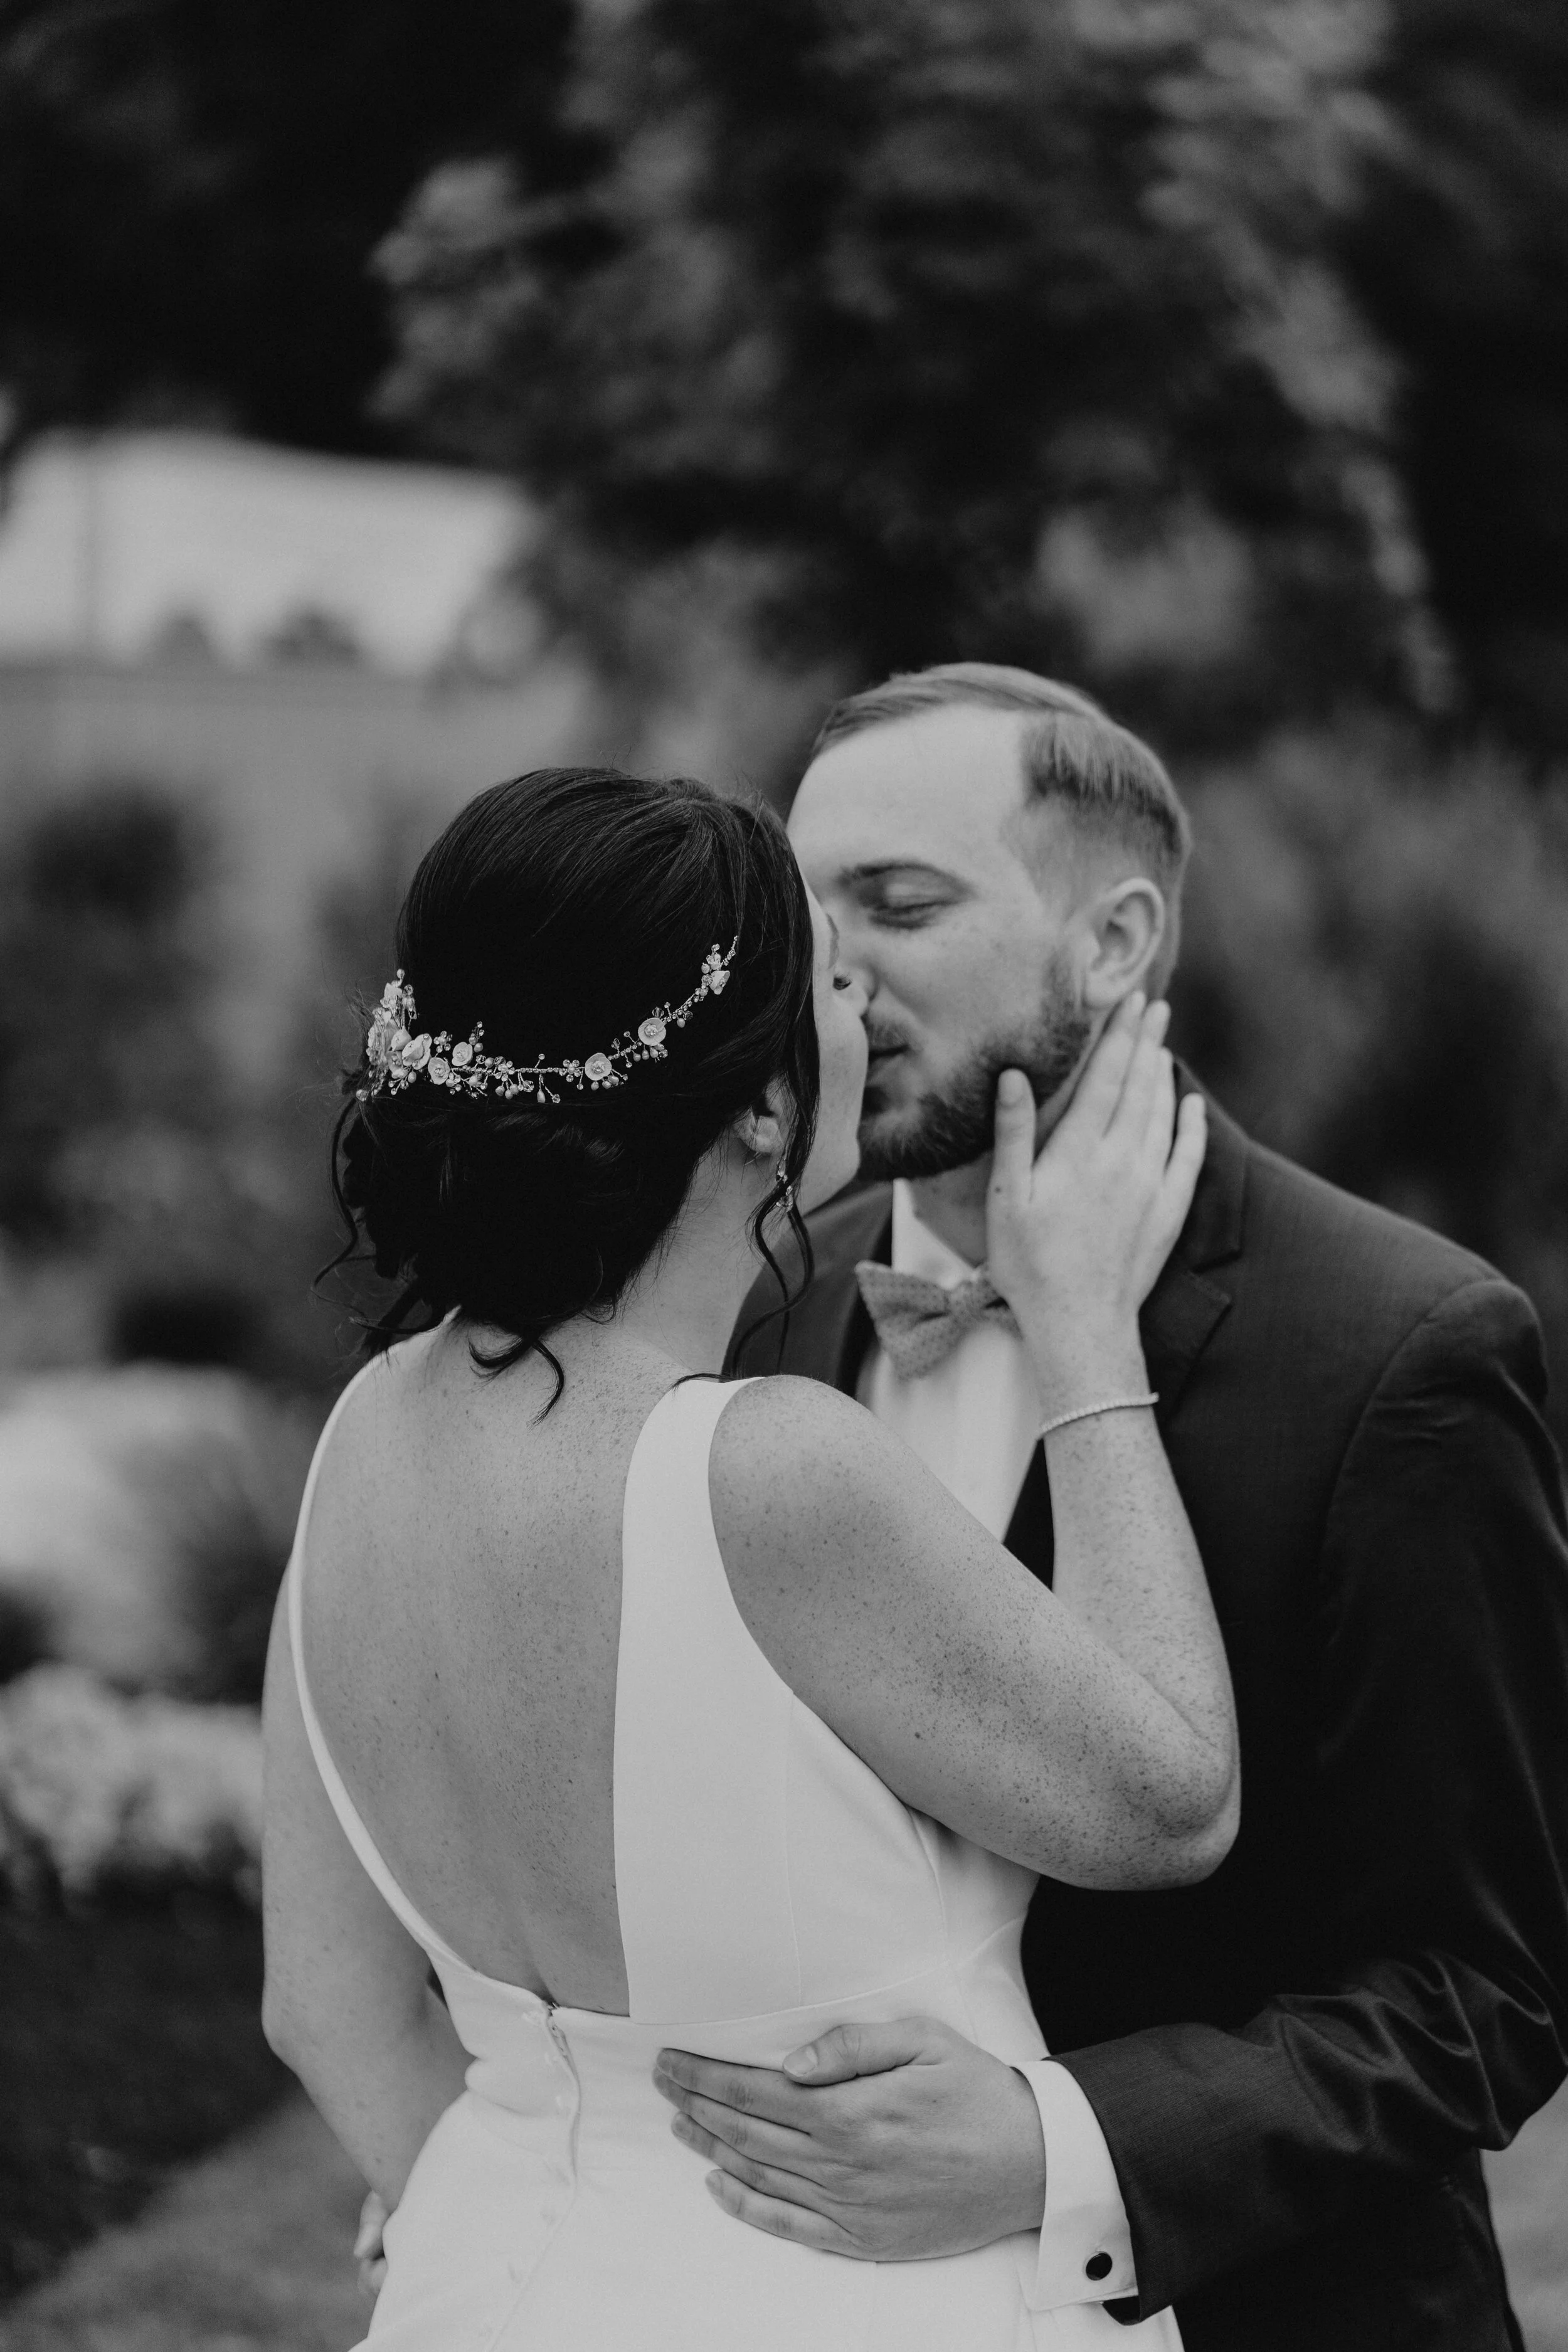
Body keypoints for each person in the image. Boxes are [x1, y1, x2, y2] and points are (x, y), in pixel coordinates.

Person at [261, 763, 1239, 2351]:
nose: (859, 996)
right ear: (769, 1106)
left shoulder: (363, 1434)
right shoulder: (766, 1470)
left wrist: (508, 2225)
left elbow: (316, 2000)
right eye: (830, 978)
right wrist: (1079, 1332)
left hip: (481, 2289)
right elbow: (1169, 1801)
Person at [657, 665, 1568, 2352]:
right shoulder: (754, 1303)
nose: (825, 968)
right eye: (800, 911)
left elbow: (1480, 1990)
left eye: (901, 904)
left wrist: (1058, 2145)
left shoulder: (1401, 1351)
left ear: (1114, 940)